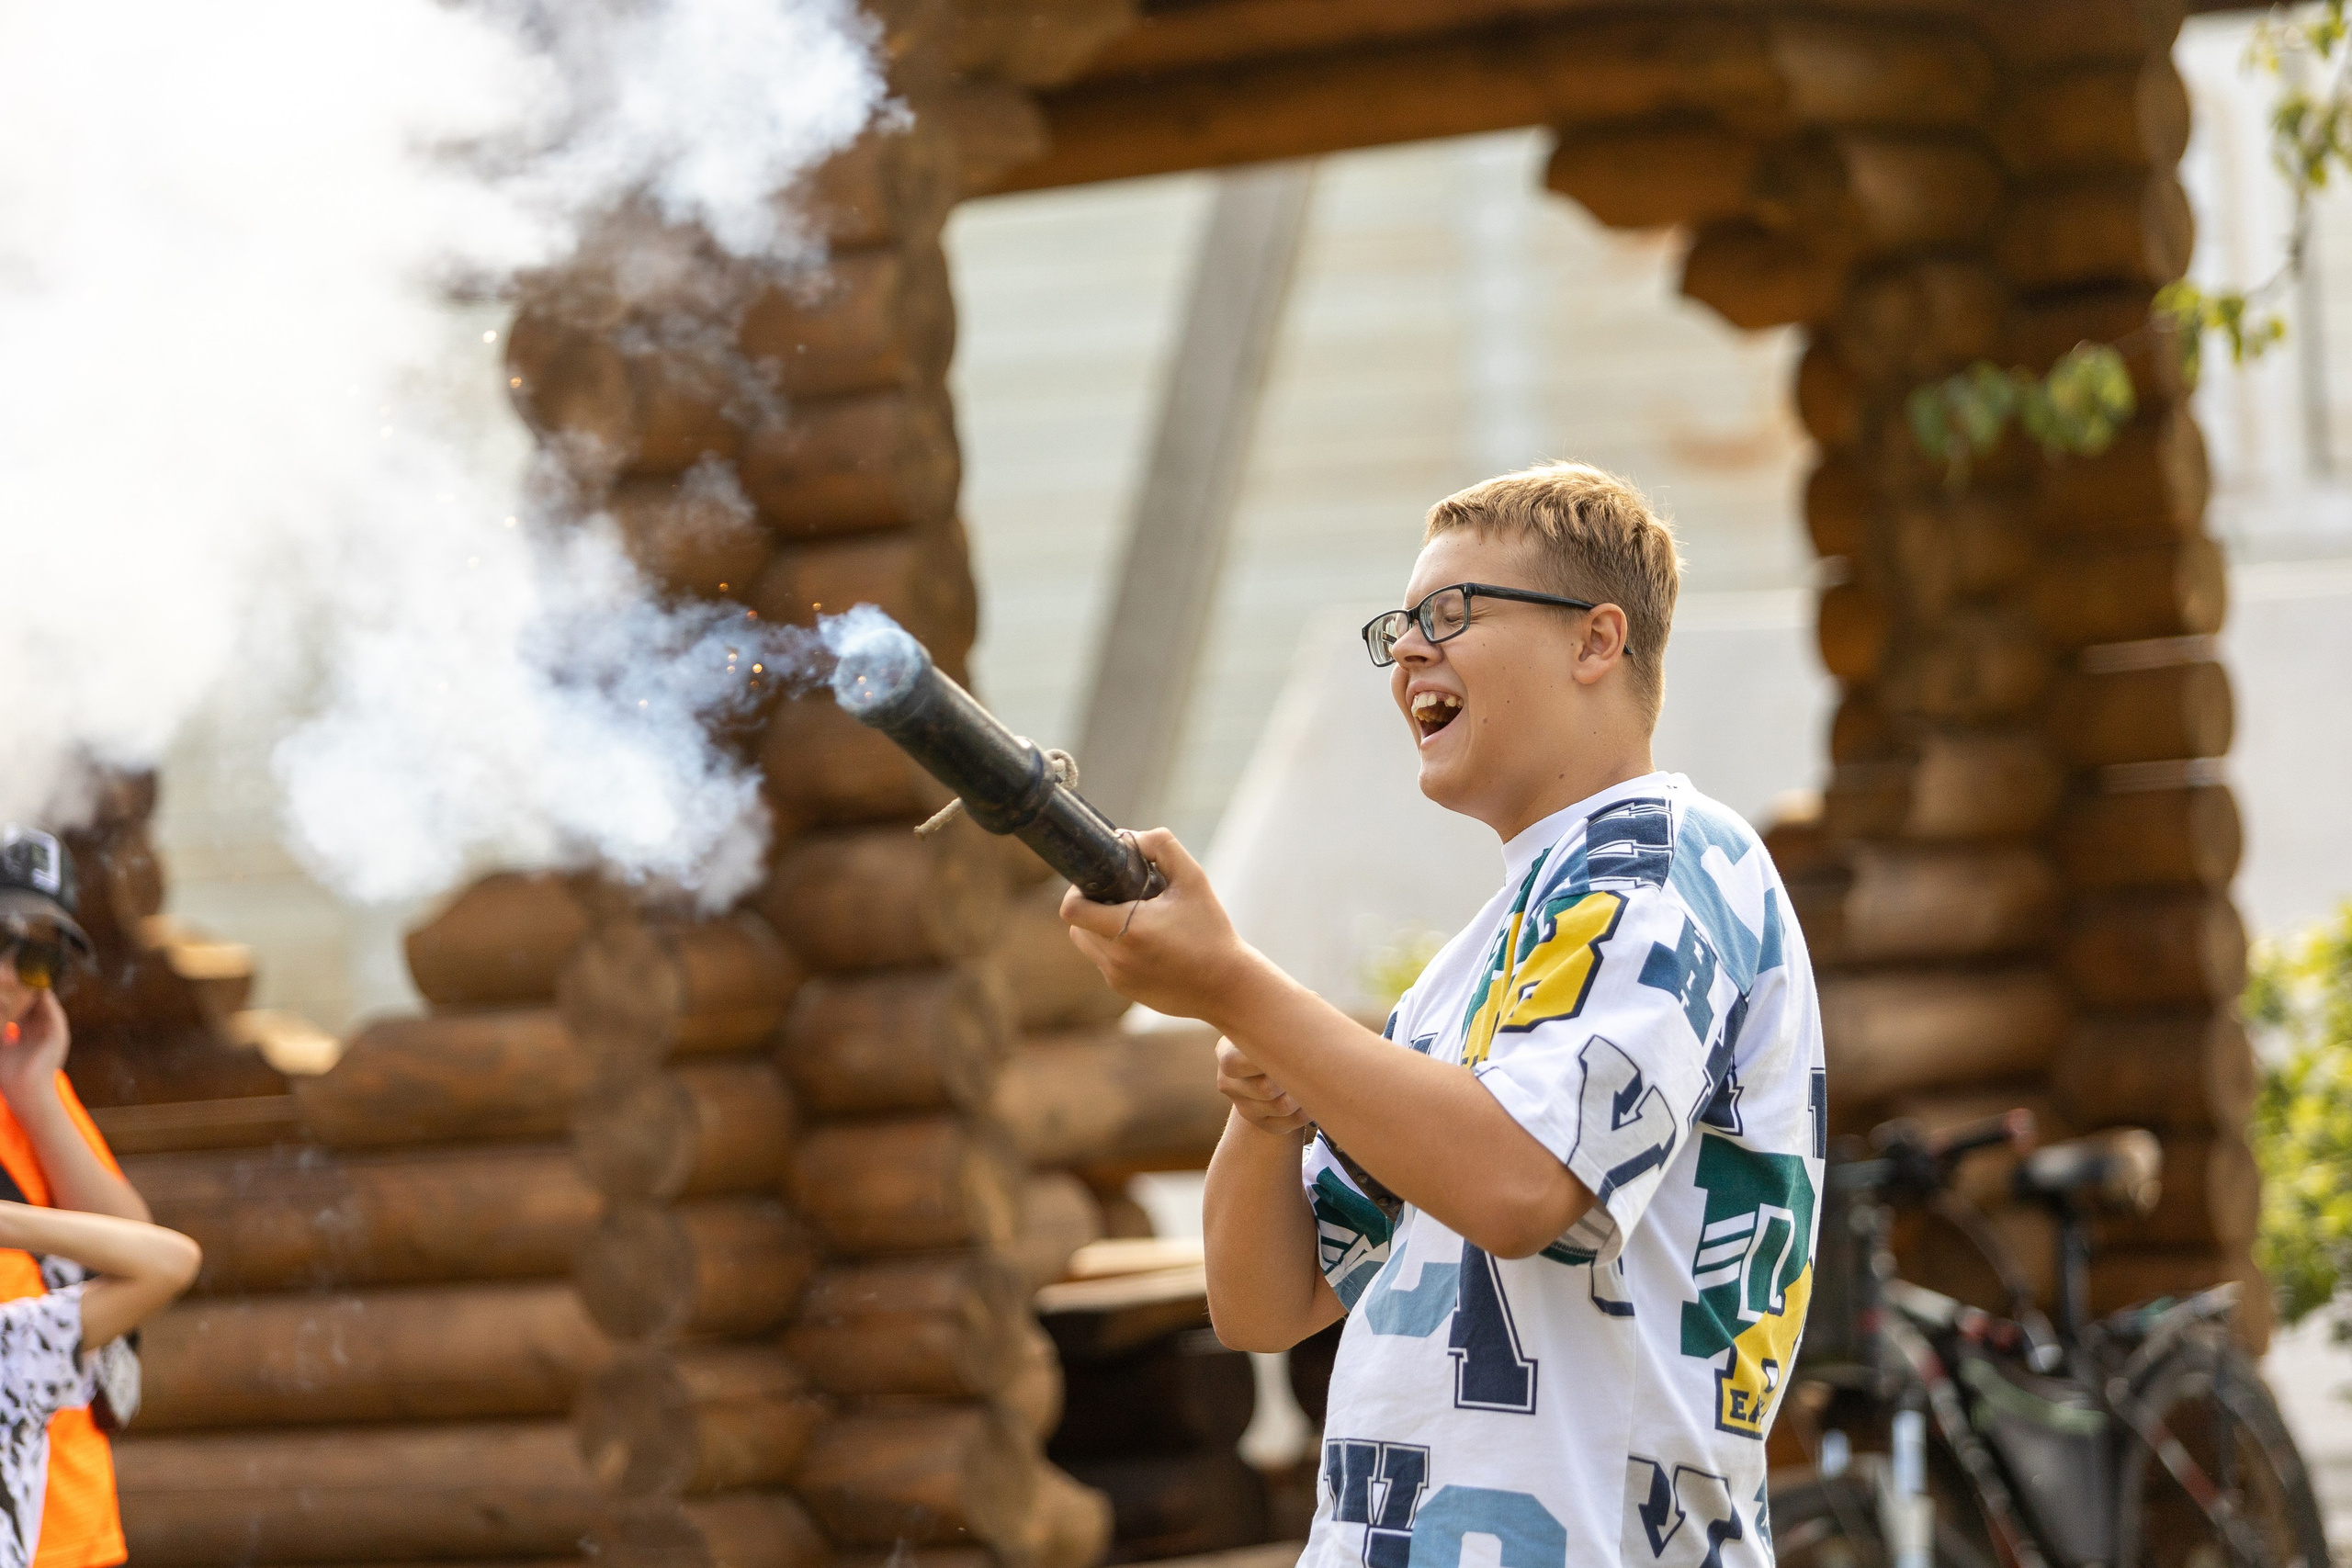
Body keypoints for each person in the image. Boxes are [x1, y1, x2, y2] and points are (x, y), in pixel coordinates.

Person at [1061, 464, 1826, 1568]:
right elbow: (1264, 1305)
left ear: (1595, 642)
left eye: (1452, 614)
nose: (1410, 652)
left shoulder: (1669, 865)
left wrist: (1231, 985)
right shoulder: (1465, 972)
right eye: (1401, 628)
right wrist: (1269, 1113)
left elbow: (1520, 1188)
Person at [0, 829, 153, 1568]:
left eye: (39, 957)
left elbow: (143, 1250)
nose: (12, 974)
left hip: (68, 1513)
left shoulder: (31, 1078)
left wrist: (34, 1093)